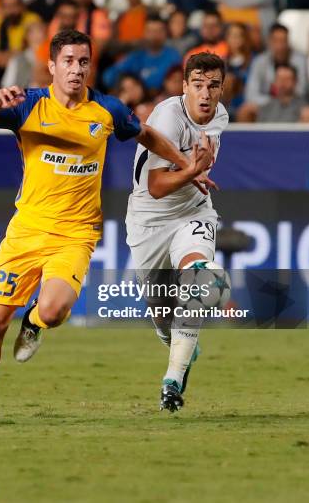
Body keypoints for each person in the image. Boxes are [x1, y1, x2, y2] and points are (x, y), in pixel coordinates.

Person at [0, 28, 214, 427]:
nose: (76, 69)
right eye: (68, 61)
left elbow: (146, 134)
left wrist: (187, 167)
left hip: (76, 234)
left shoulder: (107, 110)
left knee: (55, 310)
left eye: (83, 61)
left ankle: (35, 322)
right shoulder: (26, 104)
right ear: (52, 66)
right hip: (27, 230)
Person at [126, 51, 228, 412]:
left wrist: (192, 171)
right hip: (149, 221)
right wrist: (192, 171)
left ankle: (172, 381)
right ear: (184, 86)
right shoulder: (167, 117)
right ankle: (180, 343)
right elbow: (155, 186)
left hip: (193, 213)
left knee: (202, 279)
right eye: (197, 85)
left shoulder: (221, 117)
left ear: (221, 89)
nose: (205, 94)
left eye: (213, 86)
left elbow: (192, 170)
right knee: (164, 317)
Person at [238, 23, 308, 120]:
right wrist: (274, 101)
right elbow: (251, 94)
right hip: (266, 104)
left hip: (294, 103)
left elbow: (301, 91)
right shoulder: (259, 61)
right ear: (269, 42)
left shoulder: (300, 60)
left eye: (283, 41)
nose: (280, 45)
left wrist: (285, 97)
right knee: (245, 110)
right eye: (276, 41)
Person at [103, 15, 182, 93]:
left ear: (165, 33)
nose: (154, 35)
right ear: (144, 33)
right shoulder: (136, 56)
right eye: (150, 31)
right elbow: (108, 77)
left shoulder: (174, 57)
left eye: (158, 31)